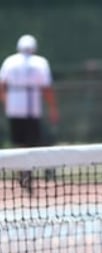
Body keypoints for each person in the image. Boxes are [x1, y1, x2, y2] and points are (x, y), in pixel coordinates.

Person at [0, 34, 59, 191]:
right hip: (32, 109)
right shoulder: (40, 63)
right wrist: (53, 108)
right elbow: (47, 89)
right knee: (32, 143)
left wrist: (7, 102)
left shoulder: (9, 62)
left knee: (20, 143)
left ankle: (24, 173)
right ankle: (27, 173)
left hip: (15, 109)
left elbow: (2, 86)